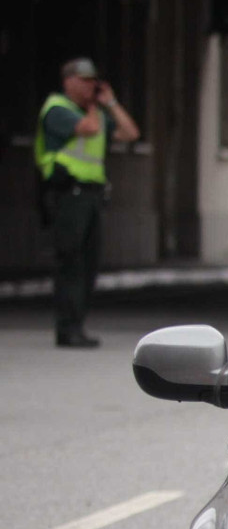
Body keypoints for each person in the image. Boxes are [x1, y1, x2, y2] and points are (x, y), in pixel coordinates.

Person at [33, 57, 140, 348]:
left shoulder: (96, 112)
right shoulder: (58, 109)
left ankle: (77, 324)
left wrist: (112, 103)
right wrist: (96, 105)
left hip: (91, 196)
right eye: (84, 80)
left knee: (89, 263)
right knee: (72, 264)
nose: (91, 85)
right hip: (68, 195)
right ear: (68, 81)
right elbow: (90, 130)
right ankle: (67, 328)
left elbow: (130, 133)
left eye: (93, 80)